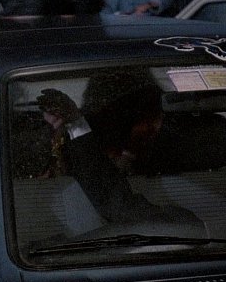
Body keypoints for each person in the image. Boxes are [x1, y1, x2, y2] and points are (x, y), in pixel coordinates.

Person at [36, 72, 199, 225]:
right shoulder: (67, 170)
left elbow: (119, 205)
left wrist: (77, 124)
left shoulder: (181, 179)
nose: (154, 127)